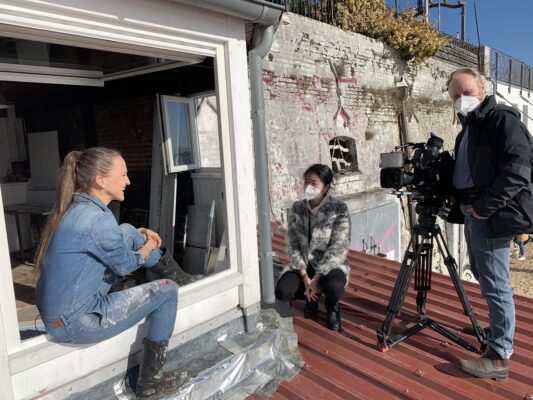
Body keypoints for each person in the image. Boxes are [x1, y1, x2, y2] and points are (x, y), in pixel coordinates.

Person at [34, 147, 196, 398]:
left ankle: (180, 276)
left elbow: (115, 243)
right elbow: (125, 266)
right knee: (167, 291)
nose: (128, 181)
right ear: (101, 181)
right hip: (76, 320)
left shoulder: (81, 209)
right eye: (123, 175)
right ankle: (150, 383)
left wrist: (139, 236)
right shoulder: (97, 220)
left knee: (129, 230)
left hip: (61, 313)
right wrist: (149, 246)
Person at [447, 67, 533, 381]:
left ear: (483, 89)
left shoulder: (501, 120)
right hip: (473, 211)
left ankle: (499, 357)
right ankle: (496, 329)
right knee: (484, 276)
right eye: (455, 95)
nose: (461, 100)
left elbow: (517, 172)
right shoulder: (471, 126)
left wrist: (484, 208)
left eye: (466, 93)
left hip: (490, 214)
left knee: (496, 284)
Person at [275, 164, 351, 331]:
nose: (308, 186)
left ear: (326, 186)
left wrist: (315, 279)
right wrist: (305, 277)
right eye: (306, 182)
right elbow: (293, 244)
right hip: (304, 264)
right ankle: (312, 298)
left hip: (330, 263)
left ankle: (332, 306)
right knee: (283, 291)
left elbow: (338, 247)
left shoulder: (339, 209)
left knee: (334, 287)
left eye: (314, 183)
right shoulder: (298, 208)